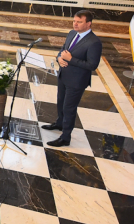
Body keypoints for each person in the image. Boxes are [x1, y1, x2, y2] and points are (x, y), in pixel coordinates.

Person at [43, 10, 103, 147]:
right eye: (74, 21)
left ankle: (65, 137)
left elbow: (92, 65)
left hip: (77, 81)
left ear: (88, 24)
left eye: (79, 22)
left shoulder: (94, 42)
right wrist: (59, 58)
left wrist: (71, 59)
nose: (75, 24)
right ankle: (59, 124)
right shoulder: (72, 33)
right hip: (64, 75)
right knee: (60, 102)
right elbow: (63, 50)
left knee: (69, 108)